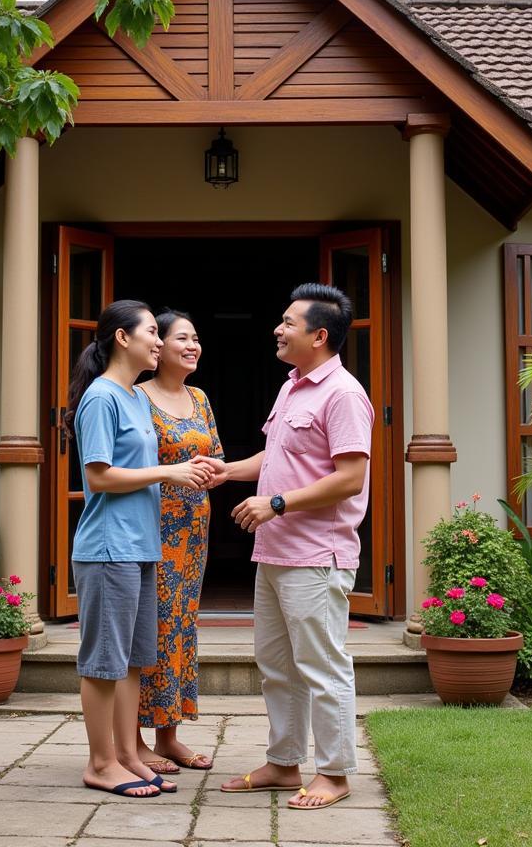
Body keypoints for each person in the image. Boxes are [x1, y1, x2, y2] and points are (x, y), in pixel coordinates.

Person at [213, 283, 374, 811]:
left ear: (319, 335)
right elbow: (276, 453)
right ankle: (284, 764)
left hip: (316, 554)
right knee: (277, 665)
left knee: (323, 667)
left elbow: (350, 478)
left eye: (287, 323)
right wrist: (229, 471)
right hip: (275, 551)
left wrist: (276, 504)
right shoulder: (292, 386)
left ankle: (334, 773)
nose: (277, 330)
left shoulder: (344, 394)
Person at [66, 300, 216, 799]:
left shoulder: (132, 398)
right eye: (153, 332)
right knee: (103, 662)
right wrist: (168, 472)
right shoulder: (101, 398)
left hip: (143, 547)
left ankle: (128, 756)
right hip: (108, 548)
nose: (160, 341)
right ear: (122, 338)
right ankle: (100, 762)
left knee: (133, 661)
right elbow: (98, 475)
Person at [135, 309, 224, 775]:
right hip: (150, 528)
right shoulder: (136, 397)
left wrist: (210, 472)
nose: (192, 346)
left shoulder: (200, 397)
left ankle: (168, 736)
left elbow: (216, 454)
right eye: (181, 338)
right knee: (146, 628)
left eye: (196, 338)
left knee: (181, 627)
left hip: (194, 532)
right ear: (159, 347)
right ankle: (133, 739)